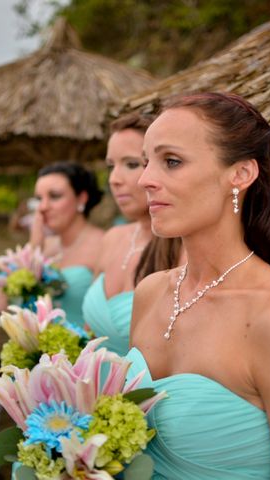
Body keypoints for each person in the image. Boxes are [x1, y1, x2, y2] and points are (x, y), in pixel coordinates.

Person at [127, 92, 270, 479]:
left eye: (171, 162)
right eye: (146, 161)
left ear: (241, 174)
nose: (145, 180)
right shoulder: (149, 293)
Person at [82, 113, 181, 355]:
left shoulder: (184, 250)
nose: (114, 179)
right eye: (110, 166)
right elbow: (89, 333)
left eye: (132, 164)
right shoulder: (112, 238)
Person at [0, 162, 104, 327]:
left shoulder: (103, 245)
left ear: (81, 198)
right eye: (39, 199)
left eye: (54, 196)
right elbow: (3, 306)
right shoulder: (42, 246)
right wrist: (34, 246)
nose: (43, 207)